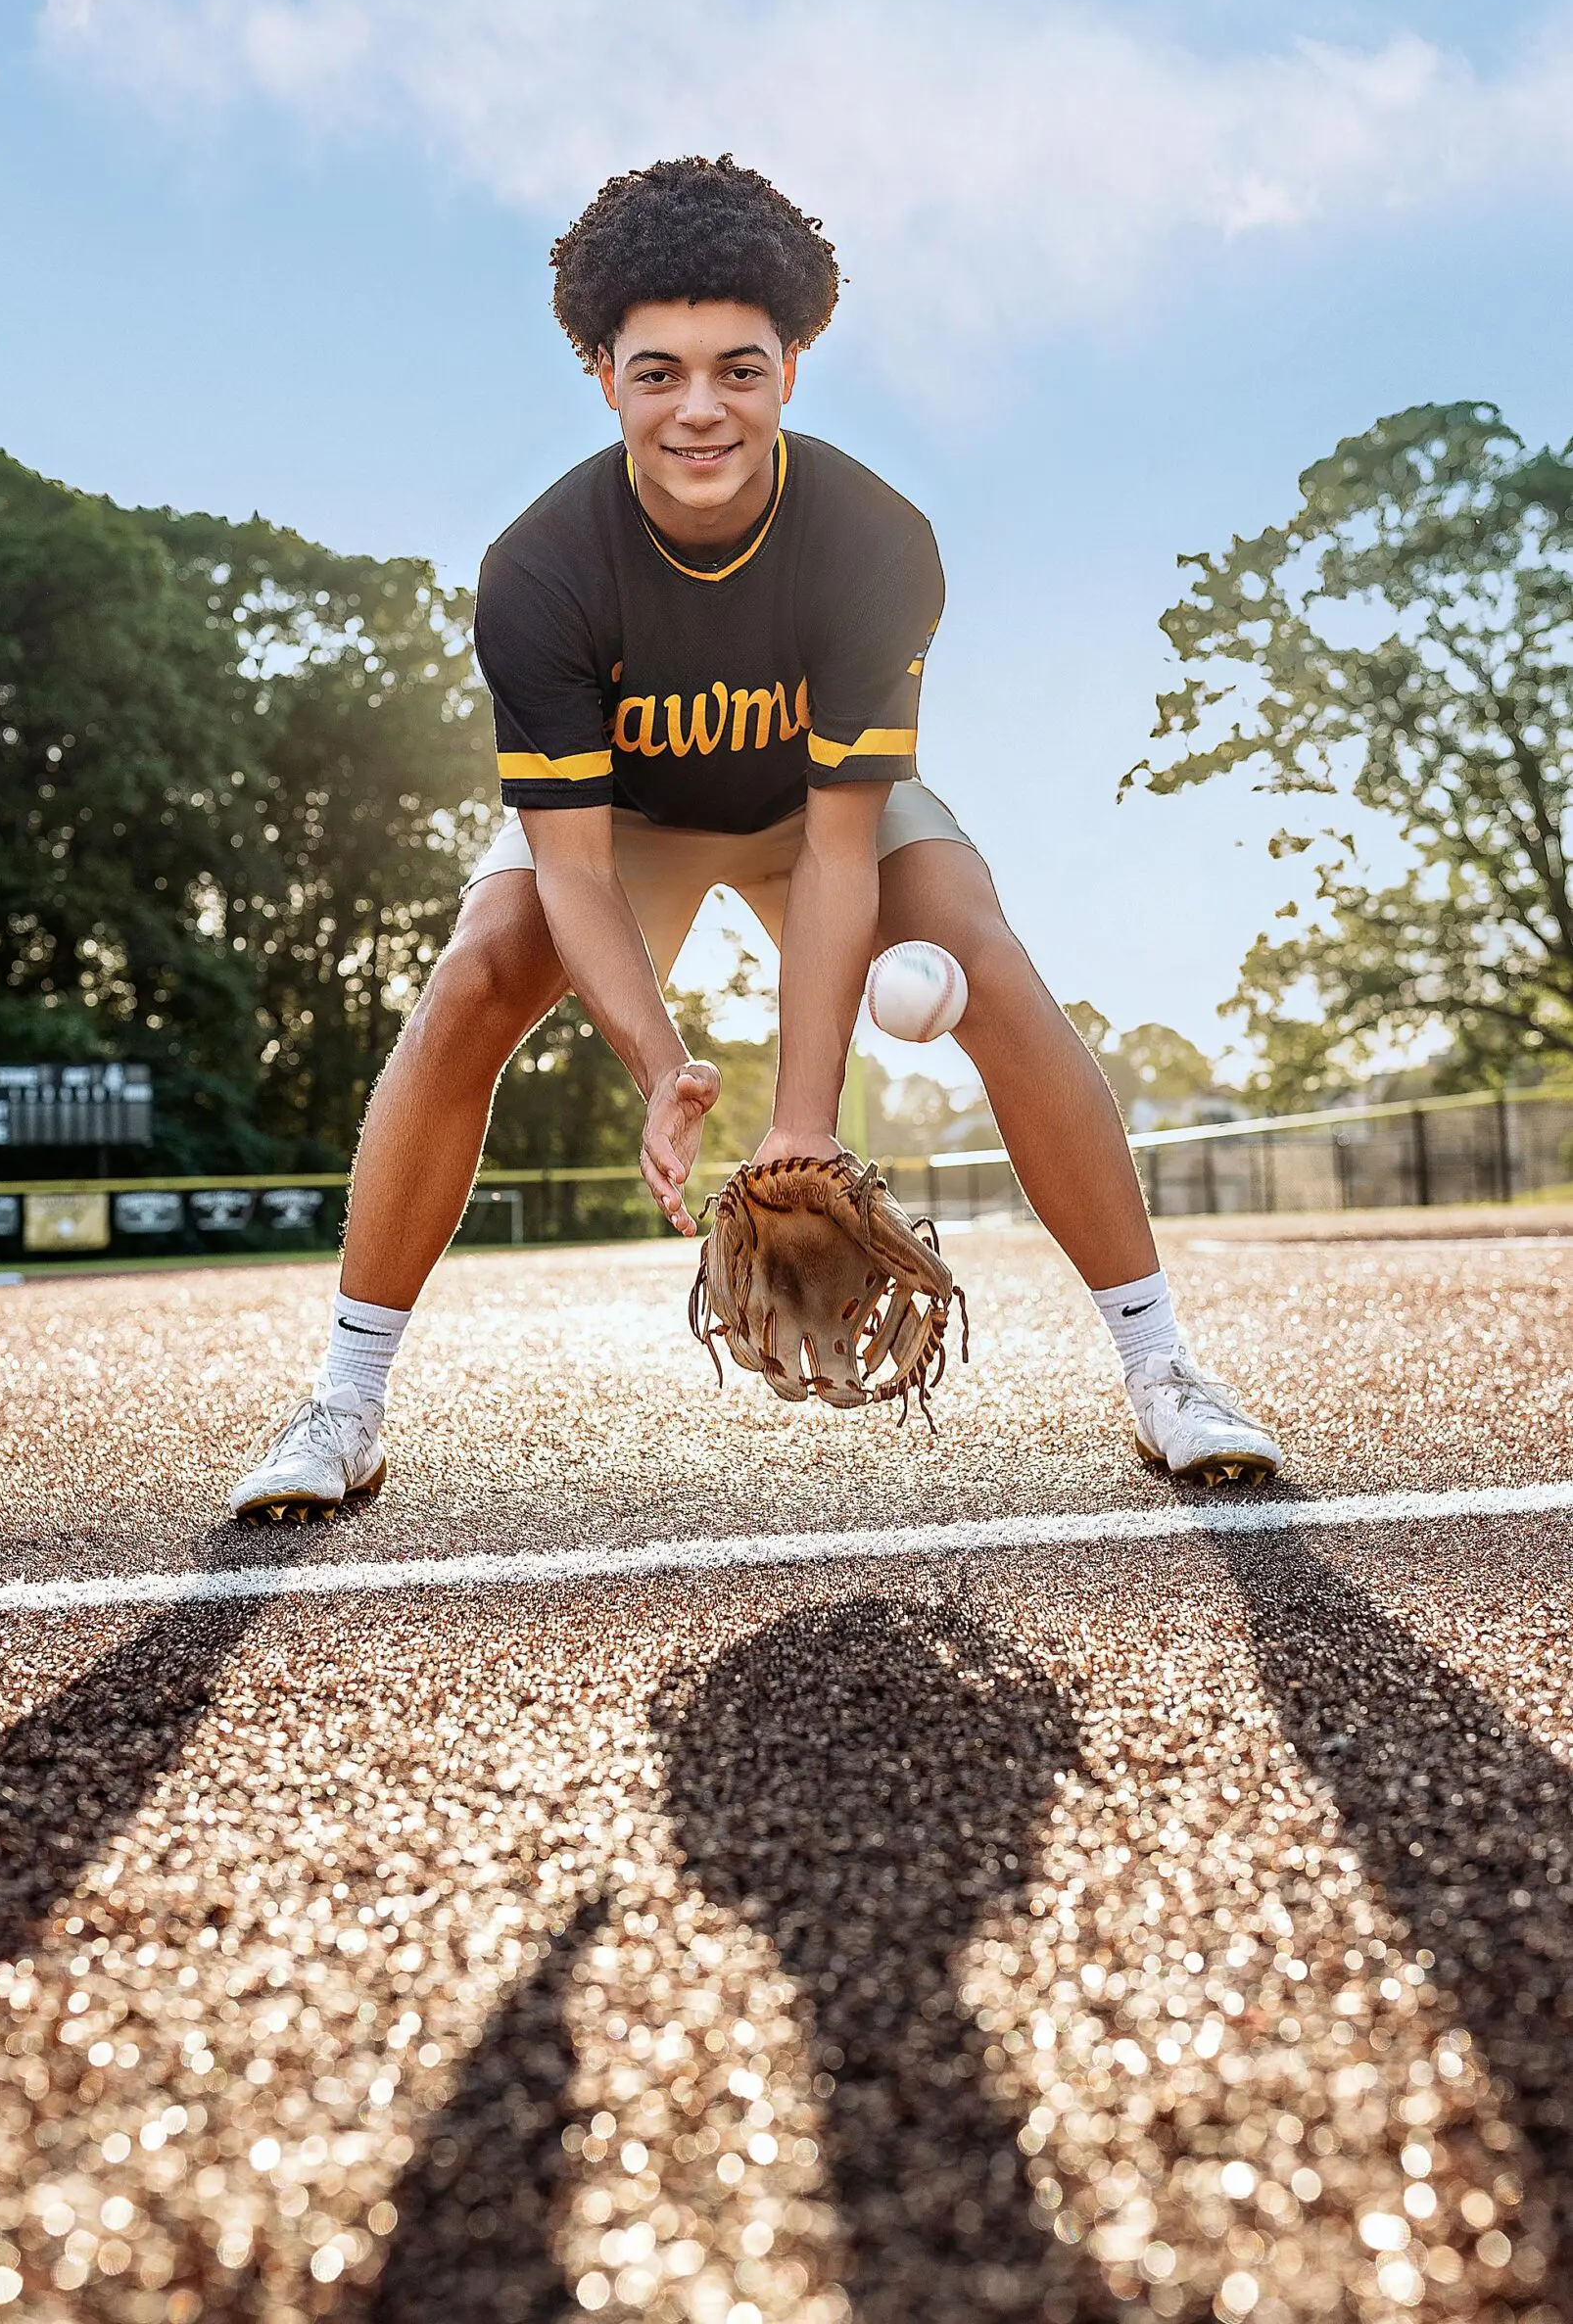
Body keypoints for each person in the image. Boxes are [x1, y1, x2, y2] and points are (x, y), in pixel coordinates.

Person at [228, 156, 1281, 1521]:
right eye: (656, 372)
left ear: (793, 363)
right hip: (631, 824)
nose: (699, 408)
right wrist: (660, 1061)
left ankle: (1163, 1374)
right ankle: (344, 1404)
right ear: (602, 375)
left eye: (738, 367)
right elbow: (571, 862)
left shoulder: (874, 543)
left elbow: (842, 850)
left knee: (976, 945)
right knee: (481, 964)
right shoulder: (538, 572)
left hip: (807, 816)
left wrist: (799, 1124)